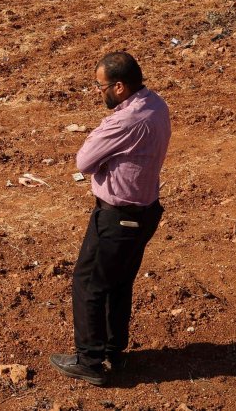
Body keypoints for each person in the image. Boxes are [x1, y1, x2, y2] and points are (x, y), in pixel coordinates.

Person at [50, 51, 171, 386]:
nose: (97, 92)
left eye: (100, 86)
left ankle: (89, 360)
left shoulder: (124, 121)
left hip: (118, 218)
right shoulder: (156, 104)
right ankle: (114, 353)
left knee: (90, 283)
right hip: (145, 213)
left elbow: (85, 161)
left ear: (119, 87)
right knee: (118, 284)